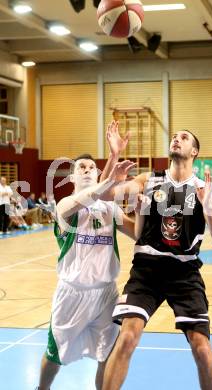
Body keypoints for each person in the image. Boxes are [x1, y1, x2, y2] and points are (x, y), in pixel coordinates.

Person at [102, 129, 212, 390]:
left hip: (185, 273)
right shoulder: (149, 180)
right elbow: (105, 195)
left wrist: (209, 209)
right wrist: (114, 158)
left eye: (184, 137)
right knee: (126, 338)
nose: (176, 138)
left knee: (202, 348)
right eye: (174, 136)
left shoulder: (204, 190)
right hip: (146, 271)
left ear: (194, 151)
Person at [36, 121, 135, 390]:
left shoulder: (110, 209)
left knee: (107, 354)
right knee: (55, 356)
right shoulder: (65, 206)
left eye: (92, 167)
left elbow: (140, 234)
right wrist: (112, 175)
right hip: (72, 294)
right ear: (72, 178)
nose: (88, 170)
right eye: (82, 167)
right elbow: (88, 197)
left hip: (106, 294)